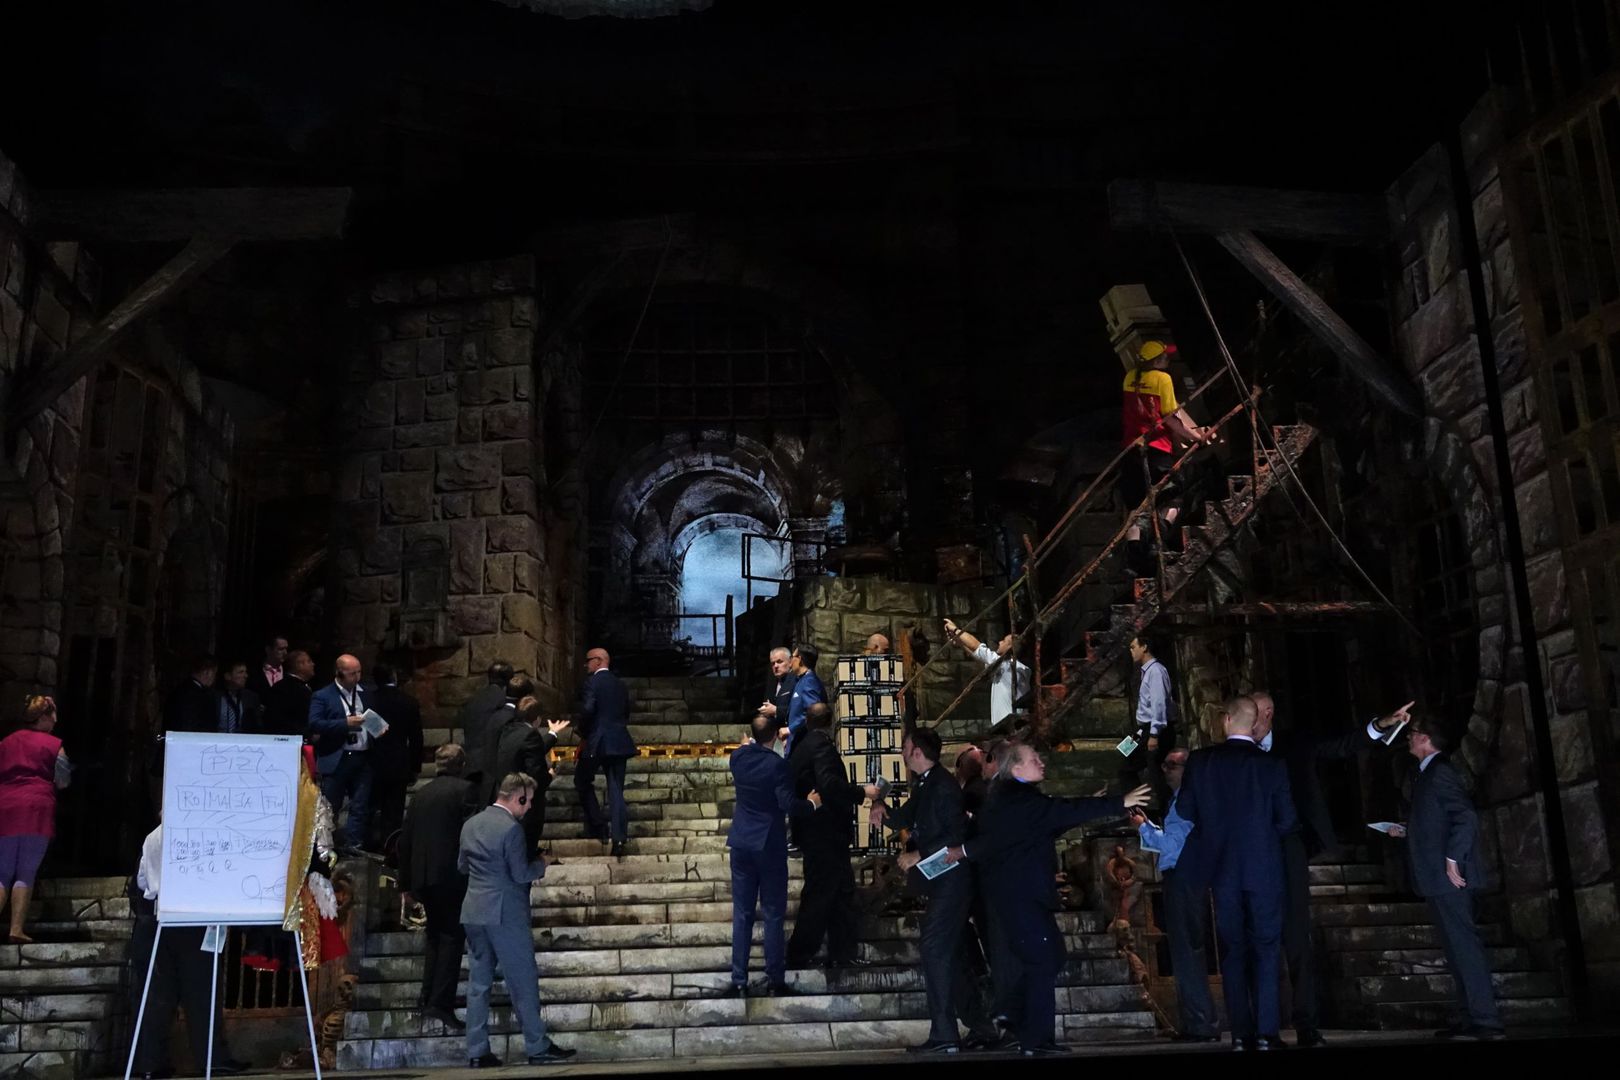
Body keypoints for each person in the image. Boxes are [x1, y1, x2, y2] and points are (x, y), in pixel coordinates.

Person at [942, 743, 1151, 1055]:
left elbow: (1048, 821)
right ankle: (1033, 1037)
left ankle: (1013, 1013)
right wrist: (1118, 802)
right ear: (1015, 768)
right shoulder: (1018, 798)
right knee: (1043, 960)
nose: (1041, 762)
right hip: (1021, 895)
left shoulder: (1009, 797)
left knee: (1050, 956)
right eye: (1033, 759)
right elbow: (1058, 812)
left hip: (1017, 894)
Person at [1250, 689, 1412, 1048]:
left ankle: (1307, 1023)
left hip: (1290, 848)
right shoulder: (1238, 750)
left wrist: (1382, 724)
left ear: (1268, 713)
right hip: (1251, 854)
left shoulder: (1295, 744)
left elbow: (1342, 745)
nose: (1249, 720)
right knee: (1258, 941)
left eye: (1254, 712)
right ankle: (1262, 1027)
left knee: (1298, 938)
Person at [1174, 696, 1298, 1051]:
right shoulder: (1271, 765)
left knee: (1232, 950)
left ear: (1226, 720)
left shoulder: (1202, 761)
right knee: (1267, 948)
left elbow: (1185, 810)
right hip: (1263, 867)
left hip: (1222, 868)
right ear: (1254, 722)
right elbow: (1287, 820)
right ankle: (1267, 1032)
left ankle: (1241, 1034)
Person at [871, 728, 999, 1053]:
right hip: (941, 882)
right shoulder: (927, 783)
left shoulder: (942, 786)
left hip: (953, 882)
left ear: (916, 751)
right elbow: (904, 817)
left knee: (934, 949)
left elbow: (956, 834)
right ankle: (980, 1027)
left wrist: (918, 854)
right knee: (952, 954)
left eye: (905, 746)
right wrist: (881, 806)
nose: (902, 752)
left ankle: (944, 1034)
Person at [1386, 715, 1504, 1041]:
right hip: (1435, 878)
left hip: (1449, 878)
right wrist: (1407, 831)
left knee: (1464, 947)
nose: (1408, 738)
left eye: (1412, 733)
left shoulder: (1439, 773)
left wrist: (1454, 859)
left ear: (1425, 738)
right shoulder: (1425, 774)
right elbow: (1436, 823)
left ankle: (1486, 1021)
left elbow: (1465, 816)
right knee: (1455, 950)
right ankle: (1470, 1018)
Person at [460, 772, 574, 1066]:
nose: (530, 806)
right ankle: (537, 1045)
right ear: (517, 798)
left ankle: (477, 1051)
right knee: (522, 979)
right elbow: (520, 874)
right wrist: (542, 863)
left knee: (478, 983)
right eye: (528, 800)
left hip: (474, 910)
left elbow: (462, 866)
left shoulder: (470, 824)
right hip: (505, 912)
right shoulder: (511, 829)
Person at [129, 822, 248, 1077]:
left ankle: (151, 1063)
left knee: (158, 995)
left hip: (157, 918)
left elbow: (141, 881)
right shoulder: (198, 833)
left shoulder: (154, 836)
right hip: (188, 918)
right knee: (199, 992)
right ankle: (210, 1058)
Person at [1128, 747, 1218, 1043]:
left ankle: (1200, 1023)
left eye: (1172, 765)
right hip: (1189, 877)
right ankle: (1199, 1021)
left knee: (1186, 950)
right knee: (1188, 949)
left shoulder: (1185, 802)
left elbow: (1172, 847)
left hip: (1182, 878)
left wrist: (1144, 828)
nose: (1165, 770)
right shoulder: (1187, 800)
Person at [727, 713, 819, 996]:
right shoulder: (778, 766)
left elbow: (745, 748)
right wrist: (811, 804)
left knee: (742, 914)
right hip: (769, 845)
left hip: (741, 842)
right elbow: (788, 804)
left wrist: (748, 744)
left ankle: (739, 980)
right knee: (773, 914)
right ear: (776, 736)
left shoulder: (737, 759)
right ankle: (774, 980)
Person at [786, 703, 883, 969]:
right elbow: (828, 783)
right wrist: (863, 792)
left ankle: (842, 953)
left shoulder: (802, 747)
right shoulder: (821, 746)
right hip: (825, 833)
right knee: (822, 893)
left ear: (807, 721)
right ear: (831, 722)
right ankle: (800, 954)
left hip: (817, 832)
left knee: (840, 892)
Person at [398, 744, 479, 1031]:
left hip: (423, 877)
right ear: (462, 764)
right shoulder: (466, 791)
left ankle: (427, 996)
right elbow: (471, 834)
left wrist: (406, 883)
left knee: (434, 935)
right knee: (452, 937)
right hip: (452, 875)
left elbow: (405, 839)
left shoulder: (421, 795)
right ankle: (440, 1003)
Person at [1119, 339, 1213, 577]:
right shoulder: (1163, 379)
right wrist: (1197, 437)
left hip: (1131, 451)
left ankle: (1133, 557)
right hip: (1156, 449)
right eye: (1164, 356)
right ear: (1157, 360)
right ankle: (1154, 542)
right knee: (1173, 498)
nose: (1167, 359)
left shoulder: (1130, 377)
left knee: (1137, 504)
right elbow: (1170, 417)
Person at [0, 695, 71, 943]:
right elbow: (63, 780)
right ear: (42, 717)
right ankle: (16, 929)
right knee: (26, 871)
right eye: (53, 715)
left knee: (2, 873)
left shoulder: (6, 742)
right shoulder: (54, 745)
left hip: (5, 808)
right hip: (36, 810)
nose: (55, 720)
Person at [308, 654, 375, 855]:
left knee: (360, 804)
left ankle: (354, 845)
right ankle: (326, 847)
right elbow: (315, 723)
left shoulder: (365, 693)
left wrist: (377, 727)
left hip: (362, 755)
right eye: (352, 674)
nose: (357, 678)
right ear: (339, 673)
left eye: (359, 672)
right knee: (331, 805)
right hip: (337, 756)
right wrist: (344, 724)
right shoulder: (323, 696)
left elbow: (370, 717)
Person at [488, 696, 568, 854]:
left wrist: (552, 733)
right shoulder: (531, 735)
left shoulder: (508, 730)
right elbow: (536, 774)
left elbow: (528, 749)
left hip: (504, 794)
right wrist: (550, 776)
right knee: (525, 847)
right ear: (537, 719)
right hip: (523, 801)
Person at [574, 648, 635, 856]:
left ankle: (598, 826)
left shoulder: (592, 682)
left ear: (599, 661)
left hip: (597, 741)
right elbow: (626, 712)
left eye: (588, 660)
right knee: (616, 789)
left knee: (582, 780)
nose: (586, 665)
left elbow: (588, 709)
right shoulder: (620, 684)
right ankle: (619, 839)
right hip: (618, 740)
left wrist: (582, 734)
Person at [368, 662, 425, 851]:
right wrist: (415, 766)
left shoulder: (369, 700)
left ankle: (369, 844)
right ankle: (391, 846)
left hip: (373, 761)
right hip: (399, 762)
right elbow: (416, 738)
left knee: (370, 806)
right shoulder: (408, 702)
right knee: (394, 809)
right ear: (394, 676)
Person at [942, 619, 1029, 729]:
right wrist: (960, 642)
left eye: (1004, 641)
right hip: (1010, 726)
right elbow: (980, 657)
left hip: (1010, 727)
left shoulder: (1008, 667)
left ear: (1010, 648)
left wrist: (955, 630)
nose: (1000, 642)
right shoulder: (1010, 667)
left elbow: (978, 647)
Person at [459, 660, 515, 784]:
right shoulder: (505, 703)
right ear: (509, 680)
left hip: (470, 764)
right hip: (493, 769)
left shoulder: (473, 700)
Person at [1129, 633, 1176, 762]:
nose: (1131, 651)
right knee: (1125, 754)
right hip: (1143, 729)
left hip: (1154, 730)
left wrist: (1154, 735)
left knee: (1153, 768)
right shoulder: (1147, 671)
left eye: (1133, 647)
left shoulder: (1155, 671)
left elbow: (1158, 703)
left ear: (1144, 647)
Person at [782, 645, 825, 755]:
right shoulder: (801, 681)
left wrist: (790, 729)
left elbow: (813, 713)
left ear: (800, 659)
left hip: (804, 744)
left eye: (792, 657)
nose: (790, 662)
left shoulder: (809, 681)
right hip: (796, 741)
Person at [262, 650, 316, 737]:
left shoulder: (298, 687)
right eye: (309, 661)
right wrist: (308, 734)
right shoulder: (287, 689)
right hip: (290, 739)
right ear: (299, 665)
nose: (313, 664)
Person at [163, 656, 218, 734]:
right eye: (214, 673)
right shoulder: (198, 696)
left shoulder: (179, 690)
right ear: (207, 672)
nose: (214, 678)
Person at [755, 647, 796, 747]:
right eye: (773, 663)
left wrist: (776, 711)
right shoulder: (774, 682)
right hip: (776, 737)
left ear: (790, 662)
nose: (776, 666)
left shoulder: (795, 680)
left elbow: (798, 710)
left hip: (792, 735)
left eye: (779, 662)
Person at [214, 660, 264, 735]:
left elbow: (257, 726)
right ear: (228, 676)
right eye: (241, 672)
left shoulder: (251, 697)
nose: (246, 676)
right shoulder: (214, 697)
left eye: (245, 672)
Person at [247, 634, 289, 698]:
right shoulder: (254, 673)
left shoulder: (289, 671)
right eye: (281, 649)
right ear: (268, 650)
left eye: (286, 649)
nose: (285, 653)